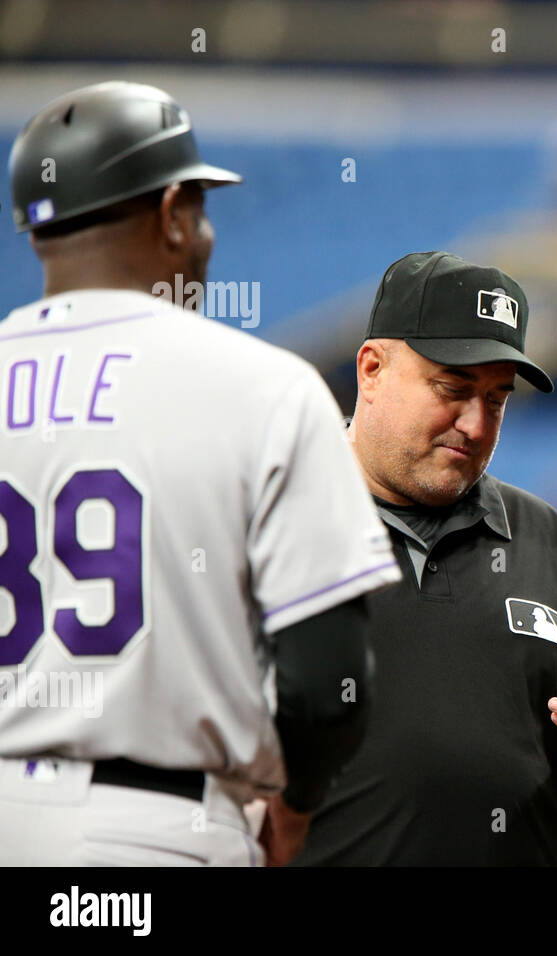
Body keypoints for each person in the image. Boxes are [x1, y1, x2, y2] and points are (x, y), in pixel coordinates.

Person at [0, 82, 399, 866]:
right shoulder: (265, 387)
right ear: (174, 209)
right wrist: (296, 807)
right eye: (202, 209)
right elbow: (327, 690)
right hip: (156, 834)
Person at [292, 251, 557, 866]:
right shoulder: (274, 516)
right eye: (453, 388)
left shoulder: (545, 539)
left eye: (496, 398)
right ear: (371, 368)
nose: (475, 423)